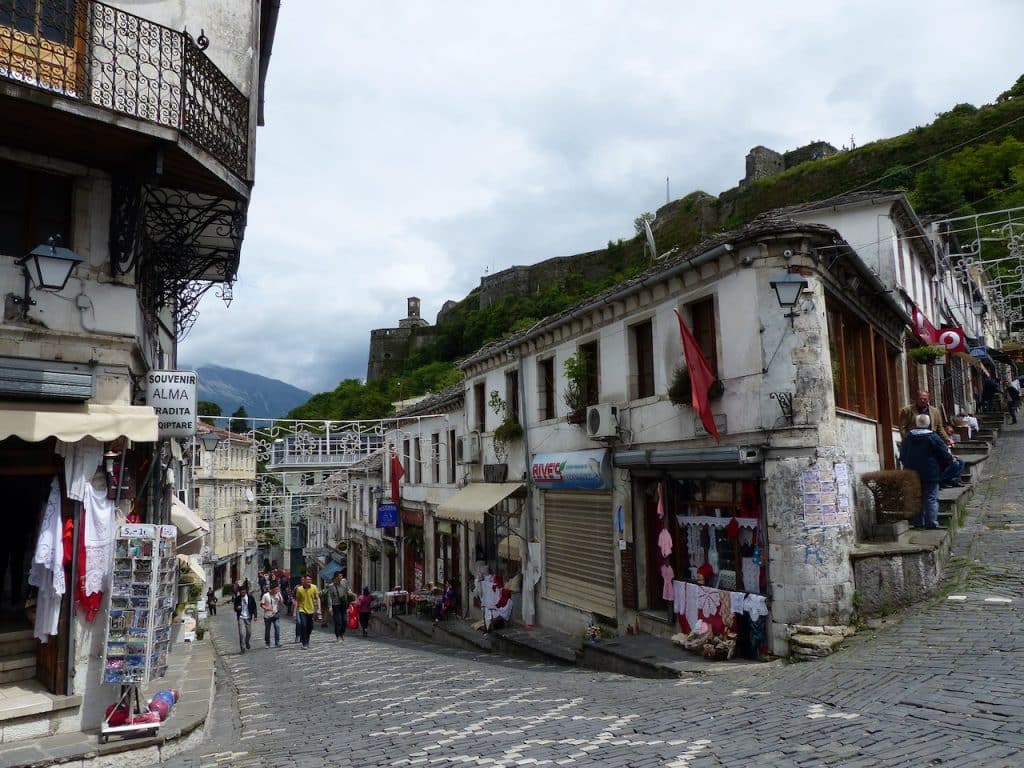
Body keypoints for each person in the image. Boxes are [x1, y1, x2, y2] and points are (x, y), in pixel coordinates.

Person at [899, 413, 955, 530]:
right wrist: (949, 460)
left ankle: (918, 522)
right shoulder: (932, 437)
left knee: (916, 496)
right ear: (928, 424)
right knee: (931, 497)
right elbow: (943, 452)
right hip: (930, 471)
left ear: (916, 423)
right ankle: (931, 522)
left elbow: (903, 454)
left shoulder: (909, 437)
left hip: (912, 471)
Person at [294, 574, 321, 649]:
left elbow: (317, 598)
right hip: (302, 610)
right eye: (307, 580)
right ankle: (304, 643)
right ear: (304, 580)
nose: (309, 581)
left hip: (311, 610)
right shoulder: (299, 589)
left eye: (310, 580)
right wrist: (294, 611)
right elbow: (297, 600)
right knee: (304, 625)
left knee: (310, 627)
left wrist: (319, 608)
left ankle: (306, 638)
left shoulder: (314, 587)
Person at [233, 583, 257, 653]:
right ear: (239, 592)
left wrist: (255, 616)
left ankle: (247, 641)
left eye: (243, 592)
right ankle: (242, 648)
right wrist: (237, 608)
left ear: (246, 591)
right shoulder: (237, 599)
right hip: (240, 617)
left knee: (249, 633)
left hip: (248, 617)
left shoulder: (250, 597)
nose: (242, 593)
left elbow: (254, 607)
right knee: (241, 633)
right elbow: (235, 608)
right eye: (241, 592)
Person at [326, 572, 351, 641]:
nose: (341, 577)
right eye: (340, 576)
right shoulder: (331, 586)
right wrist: (330, 606)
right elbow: (329, 597)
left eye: (341, 576)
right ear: (336, 577)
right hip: (335, 605)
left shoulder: (344, 582)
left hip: (343, 604)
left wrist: (349, 592)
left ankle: (342, 633)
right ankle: (337, 635)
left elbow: (348, 589)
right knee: (337, 621)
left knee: (345, 620)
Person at [261, 580, 283, 648]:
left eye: (278, 589)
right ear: (272, 589)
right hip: (267, 616)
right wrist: (267, 608)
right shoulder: (265, 595)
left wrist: (279, 598)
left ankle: (277, 642)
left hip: (275, 614)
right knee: (267, 630)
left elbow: (282, 603)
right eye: (276, 589)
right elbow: (261, 605)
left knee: (277, 627)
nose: (277, 590)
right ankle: (267, 643)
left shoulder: (278, 594)